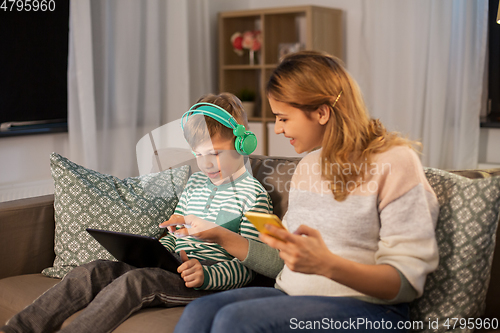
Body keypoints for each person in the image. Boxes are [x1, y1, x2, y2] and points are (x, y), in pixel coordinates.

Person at [173, 51, 439, 333]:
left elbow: (406, 283)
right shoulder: (309, 166)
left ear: (322, 112)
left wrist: (327, 264)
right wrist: (220, 235)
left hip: (372, 309)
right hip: (294, 296)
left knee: (236, 321)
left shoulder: (395, 161)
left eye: (283, 118)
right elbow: (280, 263)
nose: (277, 129)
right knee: (199, 312)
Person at [0, 93, 273, 333]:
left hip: (204, 281)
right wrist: (158, 251)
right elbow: (173, 236)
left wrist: (206, 276)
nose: (207, 163)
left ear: (242, 144)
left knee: (136, 281)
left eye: (215, 153)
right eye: (200, 155)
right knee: (91, 271)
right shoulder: (195, 184)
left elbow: (249, 269)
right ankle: (17, 329)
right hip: (173, 267)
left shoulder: (253, 195)